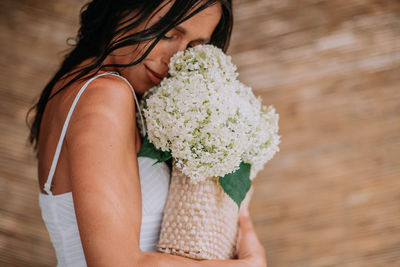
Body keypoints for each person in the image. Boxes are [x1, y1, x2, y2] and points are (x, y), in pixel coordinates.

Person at [26, 0, 267, 266]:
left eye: (193, 47)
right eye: (167, 34)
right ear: (123, 6)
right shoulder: (104, 94)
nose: (175, 58)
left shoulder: (95, 87)